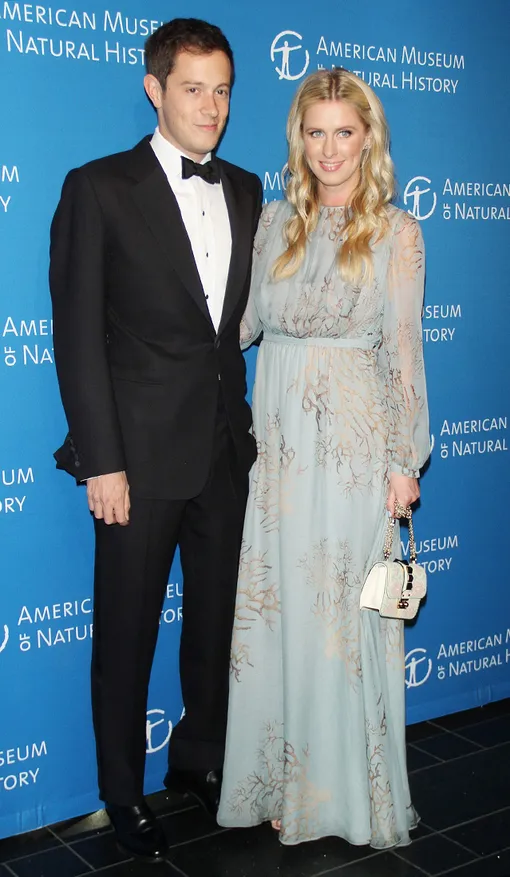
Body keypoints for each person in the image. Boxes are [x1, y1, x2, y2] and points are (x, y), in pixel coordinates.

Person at [49, 17, 262, 862]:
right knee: (127, 630)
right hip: (135, 461)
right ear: (154, 88)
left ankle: (200, 759)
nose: (211, 107)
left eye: (222, 91)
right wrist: (101, 460)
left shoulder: (246, 189)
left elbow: (230, 330)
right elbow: (76, 337)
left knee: (214, 625)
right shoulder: (99, 187)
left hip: (224, 450)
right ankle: (122, 791)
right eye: (193, 89)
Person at [217, 68, 430, 848]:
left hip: (351, 451)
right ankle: (288, 782)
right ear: (298, 139)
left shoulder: (397, 231)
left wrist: (404, 460)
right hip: (278, 452)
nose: (330, 149)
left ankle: (342, 796)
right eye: (316, 133)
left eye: (345, 132)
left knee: (341, 621)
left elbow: (403, 350)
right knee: (281, 617)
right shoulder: (274, 222)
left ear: (367, 138)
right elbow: (241, 325)